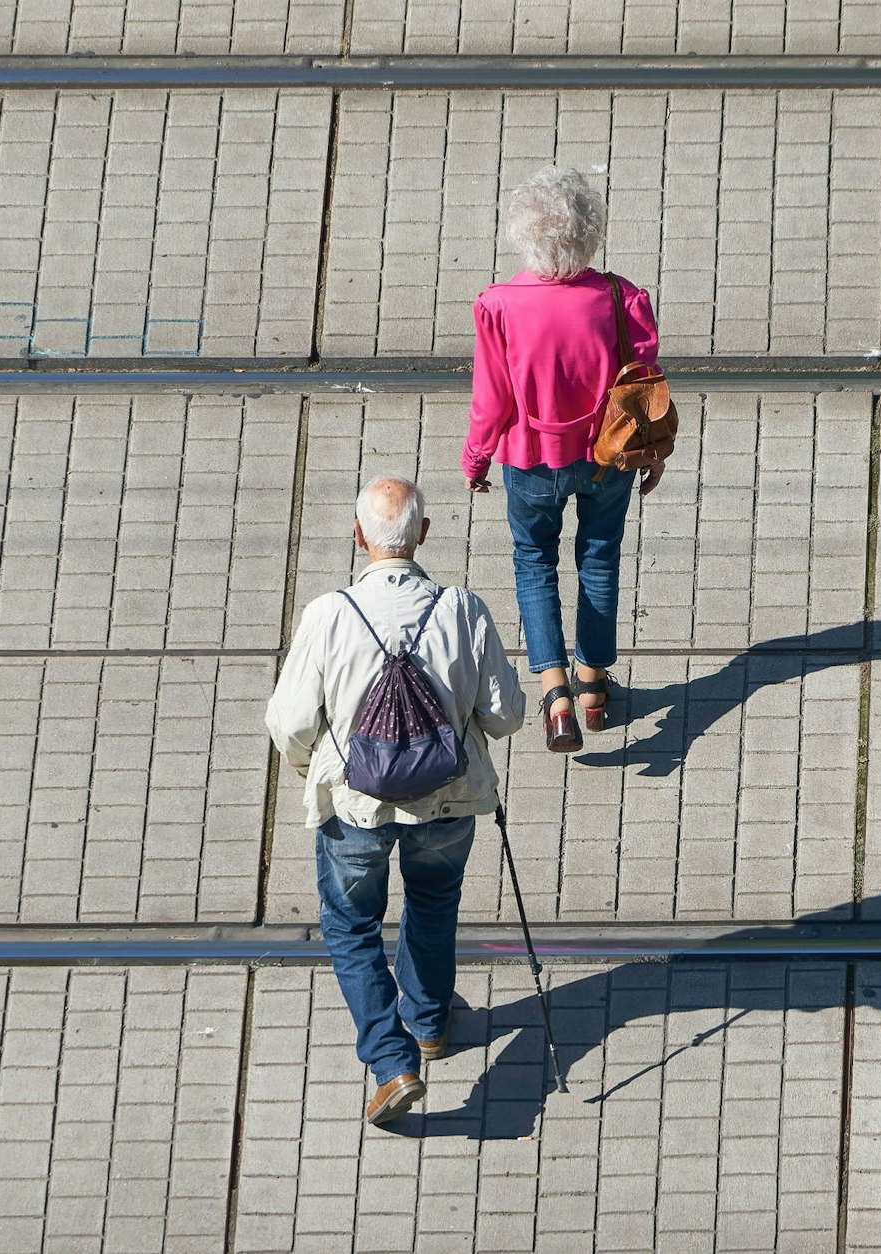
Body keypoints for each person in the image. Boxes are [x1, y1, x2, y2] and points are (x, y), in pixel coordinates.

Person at [265, 475, 525, 1125]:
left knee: (352, 929)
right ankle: (431, 1023)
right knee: (434, 904)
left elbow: (290, 722)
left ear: (358, 537)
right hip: (448, 799)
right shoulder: (463, 609)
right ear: (424, 535)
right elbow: (505, 715)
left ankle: (392, 1061)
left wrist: (315, 769)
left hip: (356, 807)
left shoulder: (329, 614)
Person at [463, 165, 664, 754]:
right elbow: (645, 385)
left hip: (530, 460)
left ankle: (555, 696)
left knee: (534, 562)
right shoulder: (621, 298)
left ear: (524, 235)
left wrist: (476, 459)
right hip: (608, 457)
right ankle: (595, 687)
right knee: (599, 561)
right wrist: (651, 454)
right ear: (590, 231)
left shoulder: (498, 305)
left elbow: (491, 398)